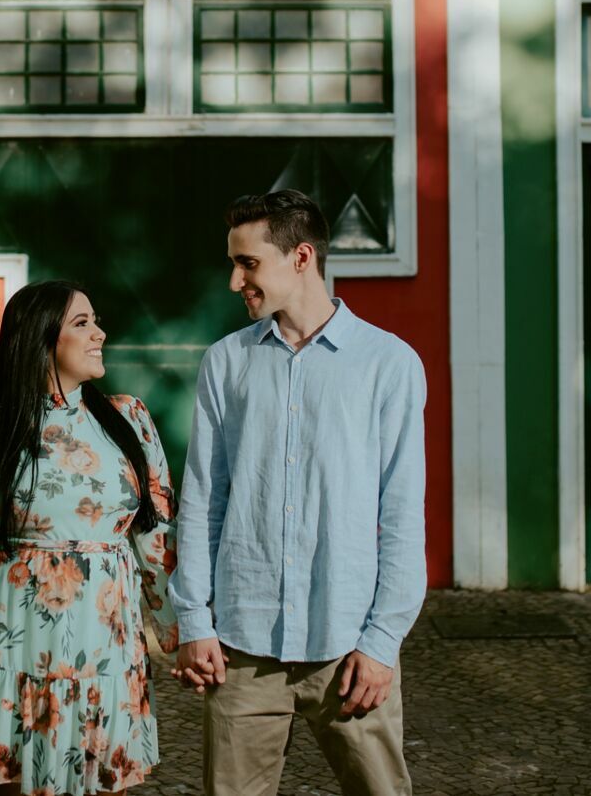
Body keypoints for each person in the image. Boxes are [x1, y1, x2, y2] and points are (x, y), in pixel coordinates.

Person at [169, 190, 427, 796]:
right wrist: (193, 621)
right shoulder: (224, 363)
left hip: (348, 648)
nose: (235, 281)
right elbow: (203, 499)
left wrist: (382, 642)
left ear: (302, 256)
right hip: (241, 648)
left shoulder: (388, 364)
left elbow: (403, 514)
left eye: (249, 263)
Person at [0, 279, 180, 796]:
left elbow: (155, 541)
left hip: (106, 656)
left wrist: (182, 635)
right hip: (12, 654)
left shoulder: (129, 420)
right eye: (83, 323)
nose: (101, 334)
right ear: (42, 338)